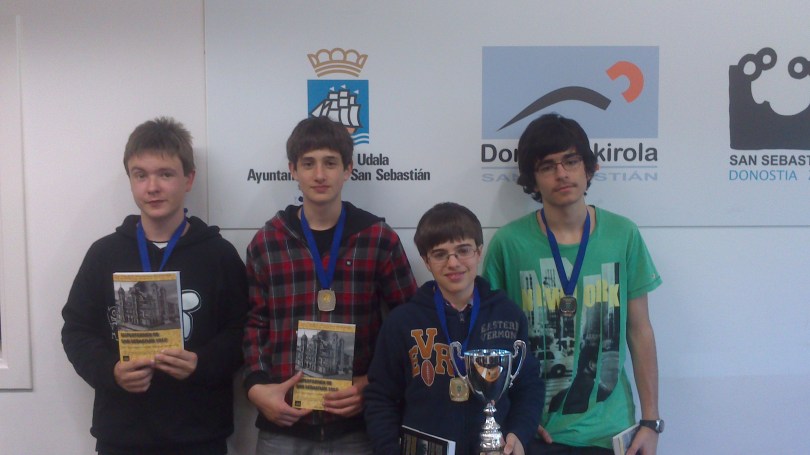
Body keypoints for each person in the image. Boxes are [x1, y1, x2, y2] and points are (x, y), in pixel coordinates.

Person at [61, 117, 249, 455]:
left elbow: (243, 331)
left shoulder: (218, 255)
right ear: (130, 180)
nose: (152, 187)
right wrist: (110, 371)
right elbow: (76, 330)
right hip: (122, 436)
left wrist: (202, 362)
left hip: (199, 435)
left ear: (188, 178)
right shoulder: (104, 254)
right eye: (140, 175)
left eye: (165, 174)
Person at [482, 113, 663, 455]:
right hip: (533, 434)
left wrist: (651, 422)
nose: (562, 173)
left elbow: (640, 330)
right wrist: (514, 416)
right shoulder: (509, 243)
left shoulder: (623, 234)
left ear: (589, 168)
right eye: (547, 166)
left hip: (609, 433)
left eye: (571, 161)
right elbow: (491, 340)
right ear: (533, 179)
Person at [243, 116, 418, 454]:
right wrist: (256, 387)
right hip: (283, 423)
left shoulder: (378, 238)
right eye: (308, 163)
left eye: (330, 163)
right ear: (293, 170)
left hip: (358, 425)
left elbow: (409, 324)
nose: (320, 174)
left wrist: (372, 383)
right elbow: (254, 323)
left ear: (348, 169)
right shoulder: (267, 242)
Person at [364, 202, 544, 455]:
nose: (453, 262)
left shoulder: (508, 314)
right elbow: (380, 397)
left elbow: (529, 386)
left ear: (479, 252)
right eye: (440, 254)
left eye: (463, 250)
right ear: (426, 261)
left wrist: (519, 434)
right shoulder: (403, 321)